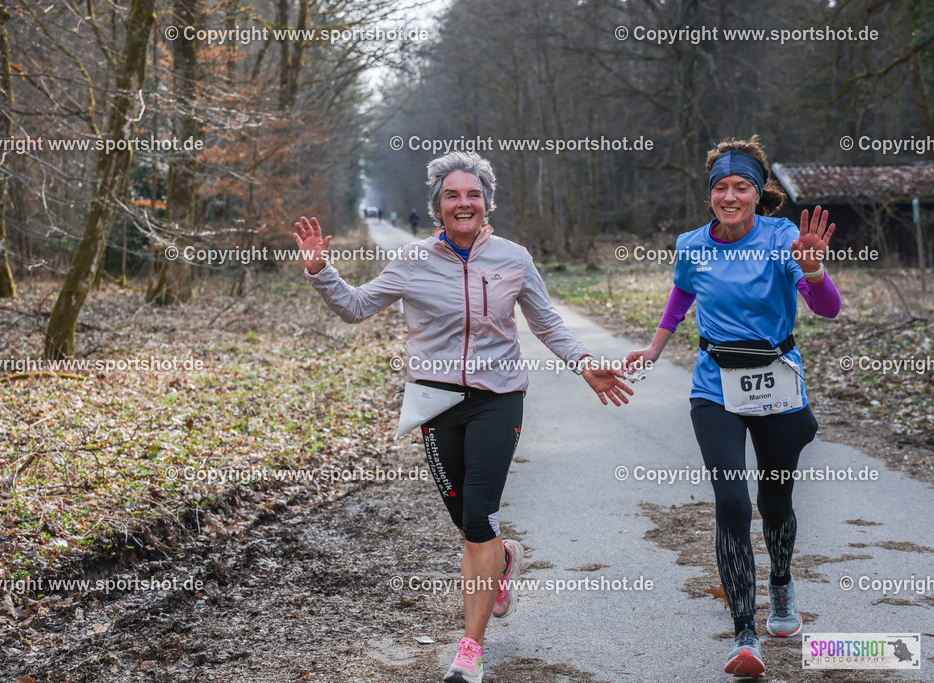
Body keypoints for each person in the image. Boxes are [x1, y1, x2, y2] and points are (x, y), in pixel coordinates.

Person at [295, 151, 634, 683]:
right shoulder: (411, 261)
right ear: (437, 207)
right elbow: (357, 306)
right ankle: (502, 559)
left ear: (486, 202)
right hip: (434, 401)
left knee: (478, 517)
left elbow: (548, 324)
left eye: (472, 194)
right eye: (452, 195)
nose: (463, 203)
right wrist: (321, 272)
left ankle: (469, 649)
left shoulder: (514, 258)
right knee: (465, 521)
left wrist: (586, 364)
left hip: (499, 397)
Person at [624, 136, 841, 678]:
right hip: (715, 386)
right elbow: (681, 294)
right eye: (720, 187)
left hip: (777, 382)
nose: (730, 195)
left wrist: (813, 270)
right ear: (710, 196)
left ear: (757, 192)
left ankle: (782, 582)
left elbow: (828, 308)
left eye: (740, 186)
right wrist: (655, 346)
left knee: (775, 503)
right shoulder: (692, 245)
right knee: (732, 503)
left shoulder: (783, 237)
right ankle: (745, 633)